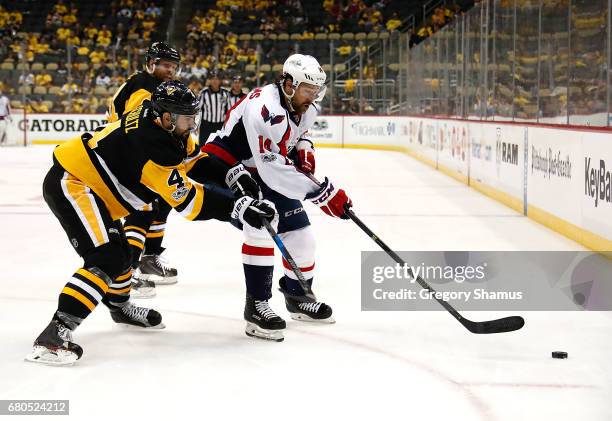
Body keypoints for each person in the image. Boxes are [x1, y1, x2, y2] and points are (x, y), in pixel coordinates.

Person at [25, 81, 276, 366]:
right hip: (74, 183)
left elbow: (193, 160)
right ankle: (53, 335)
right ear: (166, 117)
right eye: (186, 118)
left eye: (193, 116)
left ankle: (119, 307)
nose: (191, 124)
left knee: (124, 255)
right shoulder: (154, 145)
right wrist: (238, 207)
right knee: (105, 257)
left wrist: (232, 173)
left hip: (96, 184)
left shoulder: (162, 123)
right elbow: (190, 202)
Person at [201, 54, 353, 342]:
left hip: (264, 168)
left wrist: (305, 150)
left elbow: (300, 135)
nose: (314, 96)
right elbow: (272, 171)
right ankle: (256, 306)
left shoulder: (304, 107)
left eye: (316, 90)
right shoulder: (265, 108)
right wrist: (321, 193)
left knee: (302, 236)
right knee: (260, 223)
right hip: (227, 167)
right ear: (288, 84)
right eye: (308, 89)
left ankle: (297, 296)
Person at [107, 41, 182, 298]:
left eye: (173, 66)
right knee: (142, 209)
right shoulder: (144, 86)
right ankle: (127, 273)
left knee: (162, 201)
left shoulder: (150, 85)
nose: (170, 70)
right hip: (127, 154)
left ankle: (148, 258)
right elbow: (134, 126)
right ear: (151, 64)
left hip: (131, 152)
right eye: (165, 65)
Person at [198, 70, 229, 145]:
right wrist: (197, 124)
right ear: (209, 80)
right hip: (206, 125)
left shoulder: (225, 93)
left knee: (219, 146)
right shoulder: (204, 93)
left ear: (220, 81)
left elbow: (228, 109)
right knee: (204, 145)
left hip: (220, 124)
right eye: (212, 79)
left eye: (217, 79)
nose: (215, 81)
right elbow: (198, 109)